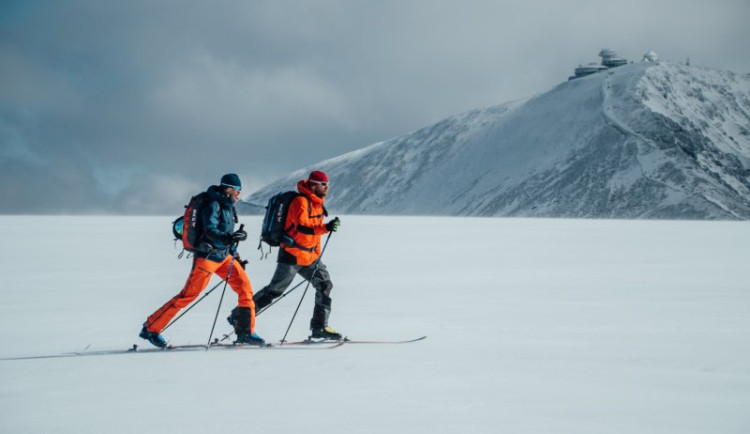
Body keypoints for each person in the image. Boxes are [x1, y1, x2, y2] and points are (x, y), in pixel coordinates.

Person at [139, 173, 265, 348]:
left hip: (225, 256)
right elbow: (210, 230)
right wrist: (229, 237)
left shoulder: (228, 206)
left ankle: (245, 332)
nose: (238, 194)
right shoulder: (213, 204)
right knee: (188, 296)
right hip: (207, 257)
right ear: (228, 188)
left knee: (245, 290)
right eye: (237, 190)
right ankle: (150, 328)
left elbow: (226, 234)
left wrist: (235, 253)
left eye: (239, 190)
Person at [231, 170, 342, 340]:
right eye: (324, 184)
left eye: (328, 184)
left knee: (325, 285)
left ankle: (320, 327)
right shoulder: (300, 201)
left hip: (310, 257)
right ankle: (240, 316)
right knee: (274, 291)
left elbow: (312, 233)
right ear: (314, 185)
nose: (327, 188)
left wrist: (318, 248)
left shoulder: (317, 203)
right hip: (292, 255)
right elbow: (302, 227)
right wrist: (326, 228)